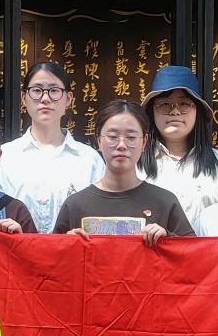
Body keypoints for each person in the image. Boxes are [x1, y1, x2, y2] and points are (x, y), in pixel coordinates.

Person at [54, 100, 193, 246]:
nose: (121, 145)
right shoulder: (75, 205)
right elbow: (50, 254)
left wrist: (168, 238)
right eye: (112, 137)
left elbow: (193, 252)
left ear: (144, 142)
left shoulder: (165, 202)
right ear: (99, 141)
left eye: (131, 138)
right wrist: (67, 244)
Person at [0, 61, 105, 234]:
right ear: (24, 98)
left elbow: (100, 216)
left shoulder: (90, 160)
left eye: (54, 91)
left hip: (72, 250)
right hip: (14, 249)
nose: (45, 99)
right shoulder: (4, 156)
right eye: (37, 90)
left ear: (68, 99)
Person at [138, 65, 218, 225]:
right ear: (151, 112)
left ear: (197, 110)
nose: (174, 112)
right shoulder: (135, 163)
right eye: (164, 104)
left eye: (184, 104)